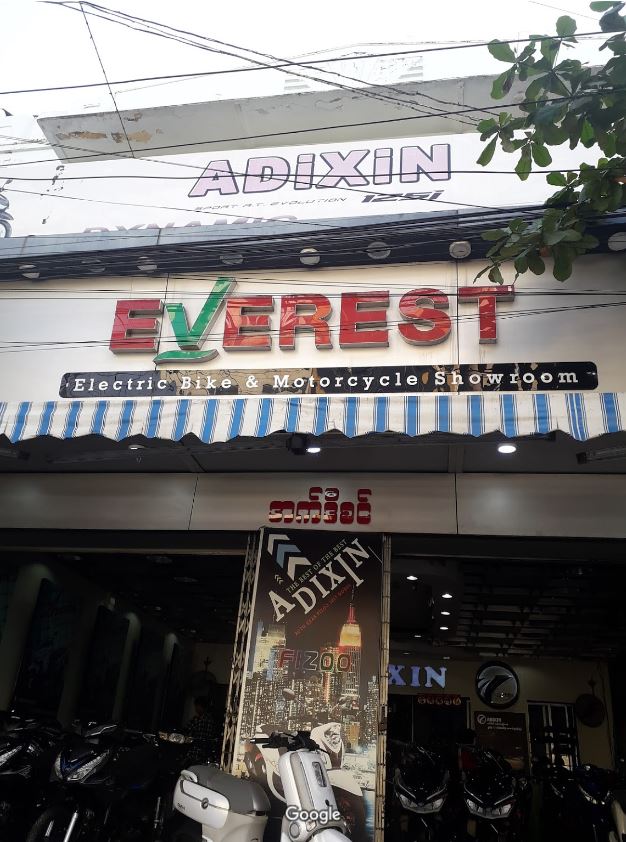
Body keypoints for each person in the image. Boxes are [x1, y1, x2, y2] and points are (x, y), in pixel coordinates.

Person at [185, 696, 216, 761]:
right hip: (203, 751)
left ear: (200, 706)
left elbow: (188, 729)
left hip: (198, 750)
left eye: (196, 706)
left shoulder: (200, 719)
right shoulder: (210, 719)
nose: (196, 709)